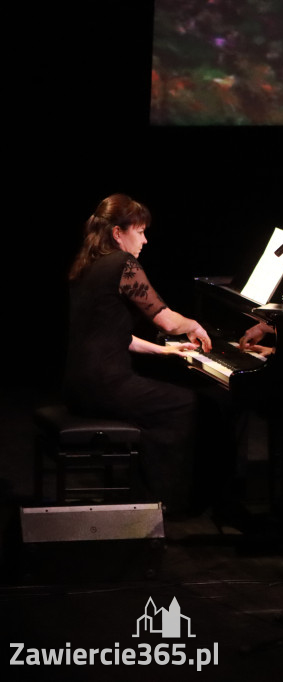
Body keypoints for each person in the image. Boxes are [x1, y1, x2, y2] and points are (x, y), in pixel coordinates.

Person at [64, 194, 217, 514]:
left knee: (164, 399)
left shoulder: (87, 266)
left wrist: (163, 350)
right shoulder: (123, 264)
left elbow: (116, 336)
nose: (145, 240)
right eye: (140, 231)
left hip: (79, 384)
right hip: (106, 383)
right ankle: (157, 502)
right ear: (118, 233)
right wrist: (194, 326)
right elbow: (165, 318)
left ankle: (140, 489)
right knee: (181, 402)